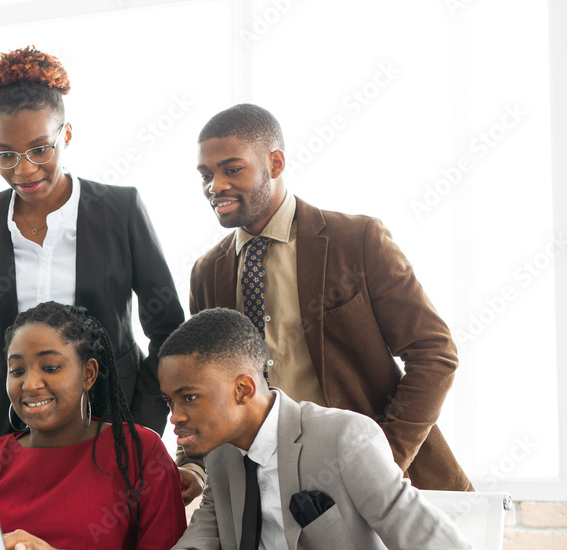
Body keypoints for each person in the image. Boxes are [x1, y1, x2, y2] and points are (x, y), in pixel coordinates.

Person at [3, 309, 495, 550]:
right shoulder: (222, 460)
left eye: (189, 398)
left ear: (242, 389)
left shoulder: (345, 440)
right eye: (170, 401)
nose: (173, 416)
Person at [178, 104, 469, 501]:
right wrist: (194, 464)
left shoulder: (357, 240)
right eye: (206, 175)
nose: (215, 186)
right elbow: (203, 386)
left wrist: (384, 460)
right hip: (267, 494)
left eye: (232, 169)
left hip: (386, 489)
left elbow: (434, 353)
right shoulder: (208, 272)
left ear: (275, 163)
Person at [0, 46, 185, 451]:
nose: (22, 170)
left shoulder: (119, 209)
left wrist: (139, 428)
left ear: (67, 135)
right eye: (5, 154)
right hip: (14, 434)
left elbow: (169, 332)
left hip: (111, 428)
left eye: (40, 149)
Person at [0, 302, 186, 550]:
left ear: (88, 374)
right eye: (17, 371)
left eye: (50, 367)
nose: (30, 384)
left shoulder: (139, 452)